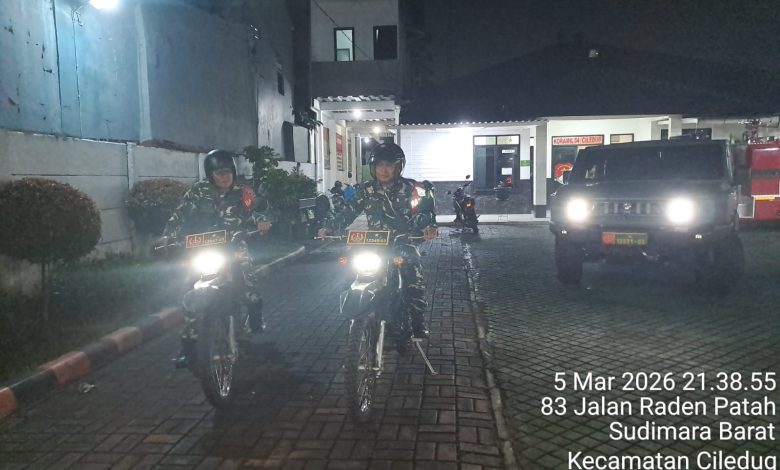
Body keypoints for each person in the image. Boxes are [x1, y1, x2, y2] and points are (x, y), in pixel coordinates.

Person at [159, 149, 272, 367]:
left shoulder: (244, 192)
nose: (224, 177)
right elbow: (179, 215)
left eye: (227, 172)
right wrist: (167, 236)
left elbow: (258, 210)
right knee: (190, 295)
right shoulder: (198, 191)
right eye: (219, 173)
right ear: (211, 175)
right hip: (204, 248)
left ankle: (255, 316)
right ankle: (188, 348)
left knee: (248, 278)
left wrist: (262, 221)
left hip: (234, 245)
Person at [318, 142, 438, 338]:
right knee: (349, 270)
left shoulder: (413, 188)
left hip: (403, 241)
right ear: (373, 168)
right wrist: (329, 226)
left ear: (398, 167)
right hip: (374, 242)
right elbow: (347, 211)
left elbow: (425, 211)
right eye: (379, 165)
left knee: (413, 278)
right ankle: (354, 309)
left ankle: (418, 323)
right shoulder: (364, 189)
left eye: (389, 165)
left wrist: (429, 226)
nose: (383, 169)